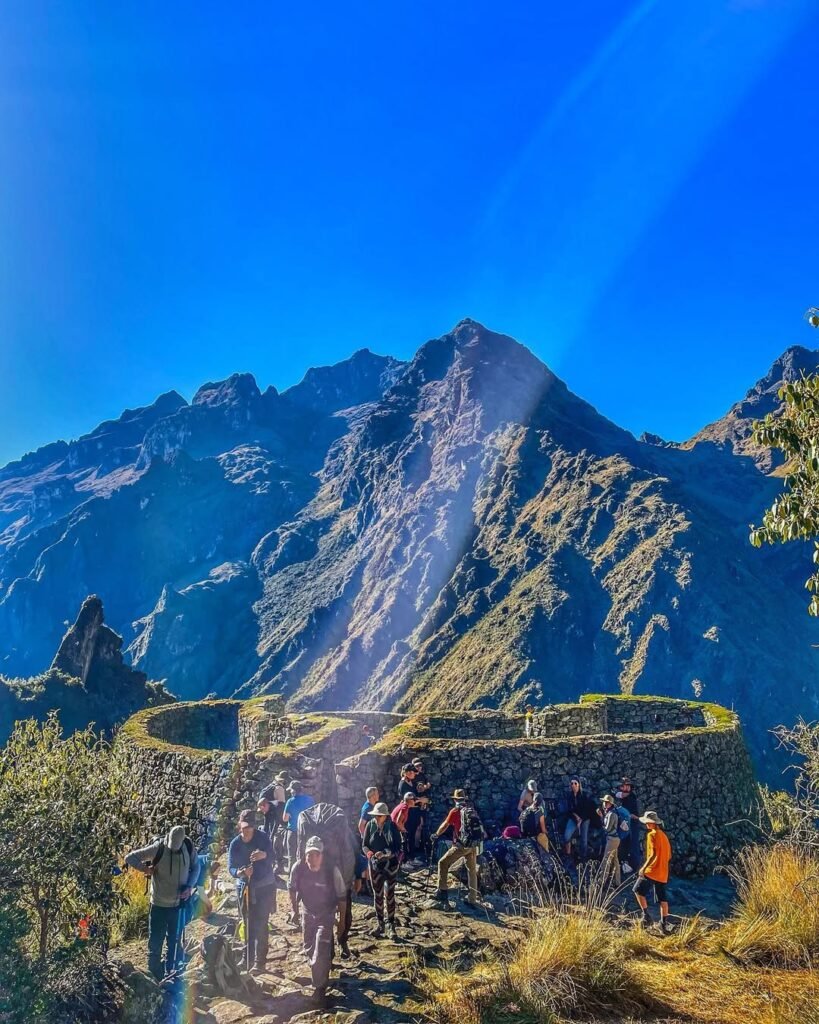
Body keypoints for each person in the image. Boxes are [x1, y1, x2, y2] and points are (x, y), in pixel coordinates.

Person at [125, 825, 199, 981]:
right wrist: (145, 869)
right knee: (155, 943)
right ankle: (153, 976)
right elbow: (130, 857)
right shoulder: (158, 848)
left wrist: (190, 886)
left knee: (174, 940)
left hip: (178, 905)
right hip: (158, 905)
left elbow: (196, 867)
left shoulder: (188, 846)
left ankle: (171, 973)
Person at [289, 835, 348, 1005]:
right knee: (309, 946)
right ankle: (322, 970)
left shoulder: (332, 870)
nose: (311, 858)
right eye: (309, 854)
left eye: (315, 854)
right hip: (307, 911)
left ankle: (319, 988)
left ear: (322, 855)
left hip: (326, 913)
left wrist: (342, 923)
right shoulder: (298, 867)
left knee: (320, 947)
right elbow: (292, 889)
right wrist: (294, 910)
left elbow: (342, 897)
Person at [228, 809, 277, 973]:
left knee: (261, 923)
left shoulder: (262, 838)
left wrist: (264, 855)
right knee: (247, 923)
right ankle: (246, 957)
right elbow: (231, 868)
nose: (247, 830)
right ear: (239, 826)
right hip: (245, 888)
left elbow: (273, 857)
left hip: (264, 886)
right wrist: (241, 873)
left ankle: (259, 962)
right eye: (244, 827)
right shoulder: (235, 843)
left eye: (250, 827)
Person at [430, 789, 485, 909]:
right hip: (472, 845)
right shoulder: (471, 810)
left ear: (455, 800)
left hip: (461, 845)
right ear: (464, 799)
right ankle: (472, 898)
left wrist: (436, 834)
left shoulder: (455, 811)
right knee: (471, 870)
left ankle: (442, 891)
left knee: (443, 863)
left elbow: (445, 825)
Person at [362, 801, 403, 938]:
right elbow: (365, 845)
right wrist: (370, 854)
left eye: (380, 816)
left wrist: (385, 853)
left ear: (385, 816)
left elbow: (398, 847)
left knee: (389, 894)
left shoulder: (392, 827)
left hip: (390, 865)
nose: (377, 818)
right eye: (376, 815)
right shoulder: (370, 825)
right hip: (375, 865)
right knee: (377, 894)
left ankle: (391, 925)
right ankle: (380, 925)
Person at [633, 811, 673, 934]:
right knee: (662, 899)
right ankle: (663, 924)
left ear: (652, 823)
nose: (646, 825)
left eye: (647, 823)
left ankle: (646, 916)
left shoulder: (652, 835)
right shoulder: (664, 836)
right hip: (663, 872)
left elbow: (652, 855)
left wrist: (643, 868)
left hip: (652, 870)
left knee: (637, 890)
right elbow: (669, 856)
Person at [283, 781, 315, 870]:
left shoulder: (290, 801)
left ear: (293, 790)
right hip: (306, 831)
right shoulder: (310, 800)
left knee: (291, 856)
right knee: (305, 854)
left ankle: (291, 877)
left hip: (293, 831)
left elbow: (285, 818)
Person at [616, 776, 643, 874]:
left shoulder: (631, 796)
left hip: (632, 824)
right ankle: (624, 866)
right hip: (625, 823)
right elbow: (619, 795)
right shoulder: (622, 796)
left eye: (628, 786)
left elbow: (632, 814)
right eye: (624, 786)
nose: (627, 788)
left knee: (634, 845)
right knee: (623, 844)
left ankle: (636, 869)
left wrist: (629, 815)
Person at [563, 778, 594, 859]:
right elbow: (569, 809)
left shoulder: (584, 795)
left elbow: (587, 809)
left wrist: (581, 820)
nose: (573, 785)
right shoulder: (570, 796)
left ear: (579, 784)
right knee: (566, 837)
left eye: (575, 783)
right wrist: (576, 818)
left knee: (584, 840)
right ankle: (568, 855)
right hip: (573, 818)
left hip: (585, 818)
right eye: (572, 783)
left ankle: (583, 858)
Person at [398, 763, 422, 862]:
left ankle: (412, 856)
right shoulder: (403, 784)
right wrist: (421, 800)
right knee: (408, 835)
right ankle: (408, 858)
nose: (415, 774)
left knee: (412, 834)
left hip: (414, 812)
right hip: (408, 813)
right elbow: (406, 800)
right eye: (413, 772)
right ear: (407, 773)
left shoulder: (411, 782)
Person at [598, 795, 622, 886]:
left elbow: (607, 829)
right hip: (614, 839)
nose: (604, 804)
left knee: (606, 860)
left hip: (612, 839)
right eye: (604, 802)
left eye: (606, 802)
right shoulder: (610, 813)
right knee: (615, 860)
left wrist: (601, 817)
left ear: (610, 804)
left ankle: (601, 882)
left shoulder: (611, 814)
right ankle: (617, 882)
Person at [390, 791, 417, 861]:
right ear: (409, 800)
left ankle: (403, 862)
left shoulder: (403, 805)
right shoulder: (404, 807)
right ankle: (403, 863)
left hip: (392, 828)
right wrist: (404, 830)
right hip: (393, 829)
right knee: (401, 845)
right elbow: (398, 821)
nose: (415, 801)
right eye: (414, 799)